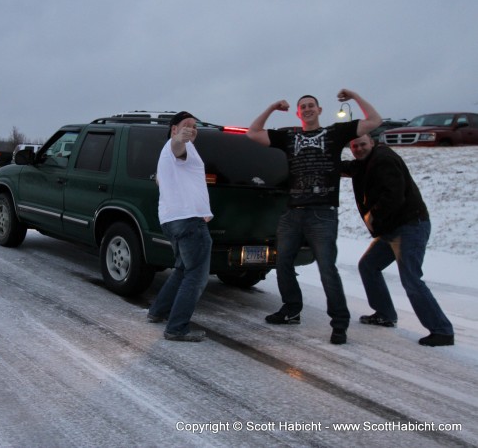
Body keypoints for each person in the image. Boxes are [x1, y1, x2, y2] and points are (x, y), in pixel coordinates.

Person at [246, 90, 382, 345]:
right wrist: (273, 107)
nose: (307, 109)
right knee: (282, 262)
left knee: (327, 269)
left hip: (323, 213)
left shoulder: (335, 133)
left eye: (311, 106)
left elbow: (375, 120)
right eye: (303, 107)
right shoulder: (289, 136)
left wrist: (353, 96)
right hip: (293, 212)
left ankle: (339, 323)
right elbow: (253, 133)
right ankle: (291, 309)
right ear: (299, 113)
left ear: (319, 111)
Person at [340, 134, 454, 346]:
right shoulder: (366, 162)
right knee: (368, 265)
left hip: (410, 226)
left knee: (411, 278)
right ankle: (384, 313)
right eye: (354, 146)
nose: (359, 149)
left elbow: (394, 194)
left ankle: (442, 330)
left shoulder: (383, 159)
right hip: (392, 229)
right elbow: (349, 167)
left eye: (363, 144)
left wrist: (373, 215)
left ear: (373, 143)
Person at [147, 111, 213, 342]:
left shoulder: (172, 151)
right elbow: (177, 148)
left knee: (183, 269)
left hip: (174, 220)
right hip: (188, 221)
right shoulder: (176, 146)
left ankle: (158, 311)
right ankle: (176, 327)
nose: (192, 129)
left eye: (195, 126)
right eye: (186, 125)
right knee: (196, 276)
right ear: (174, 129)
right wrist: (178, 138)